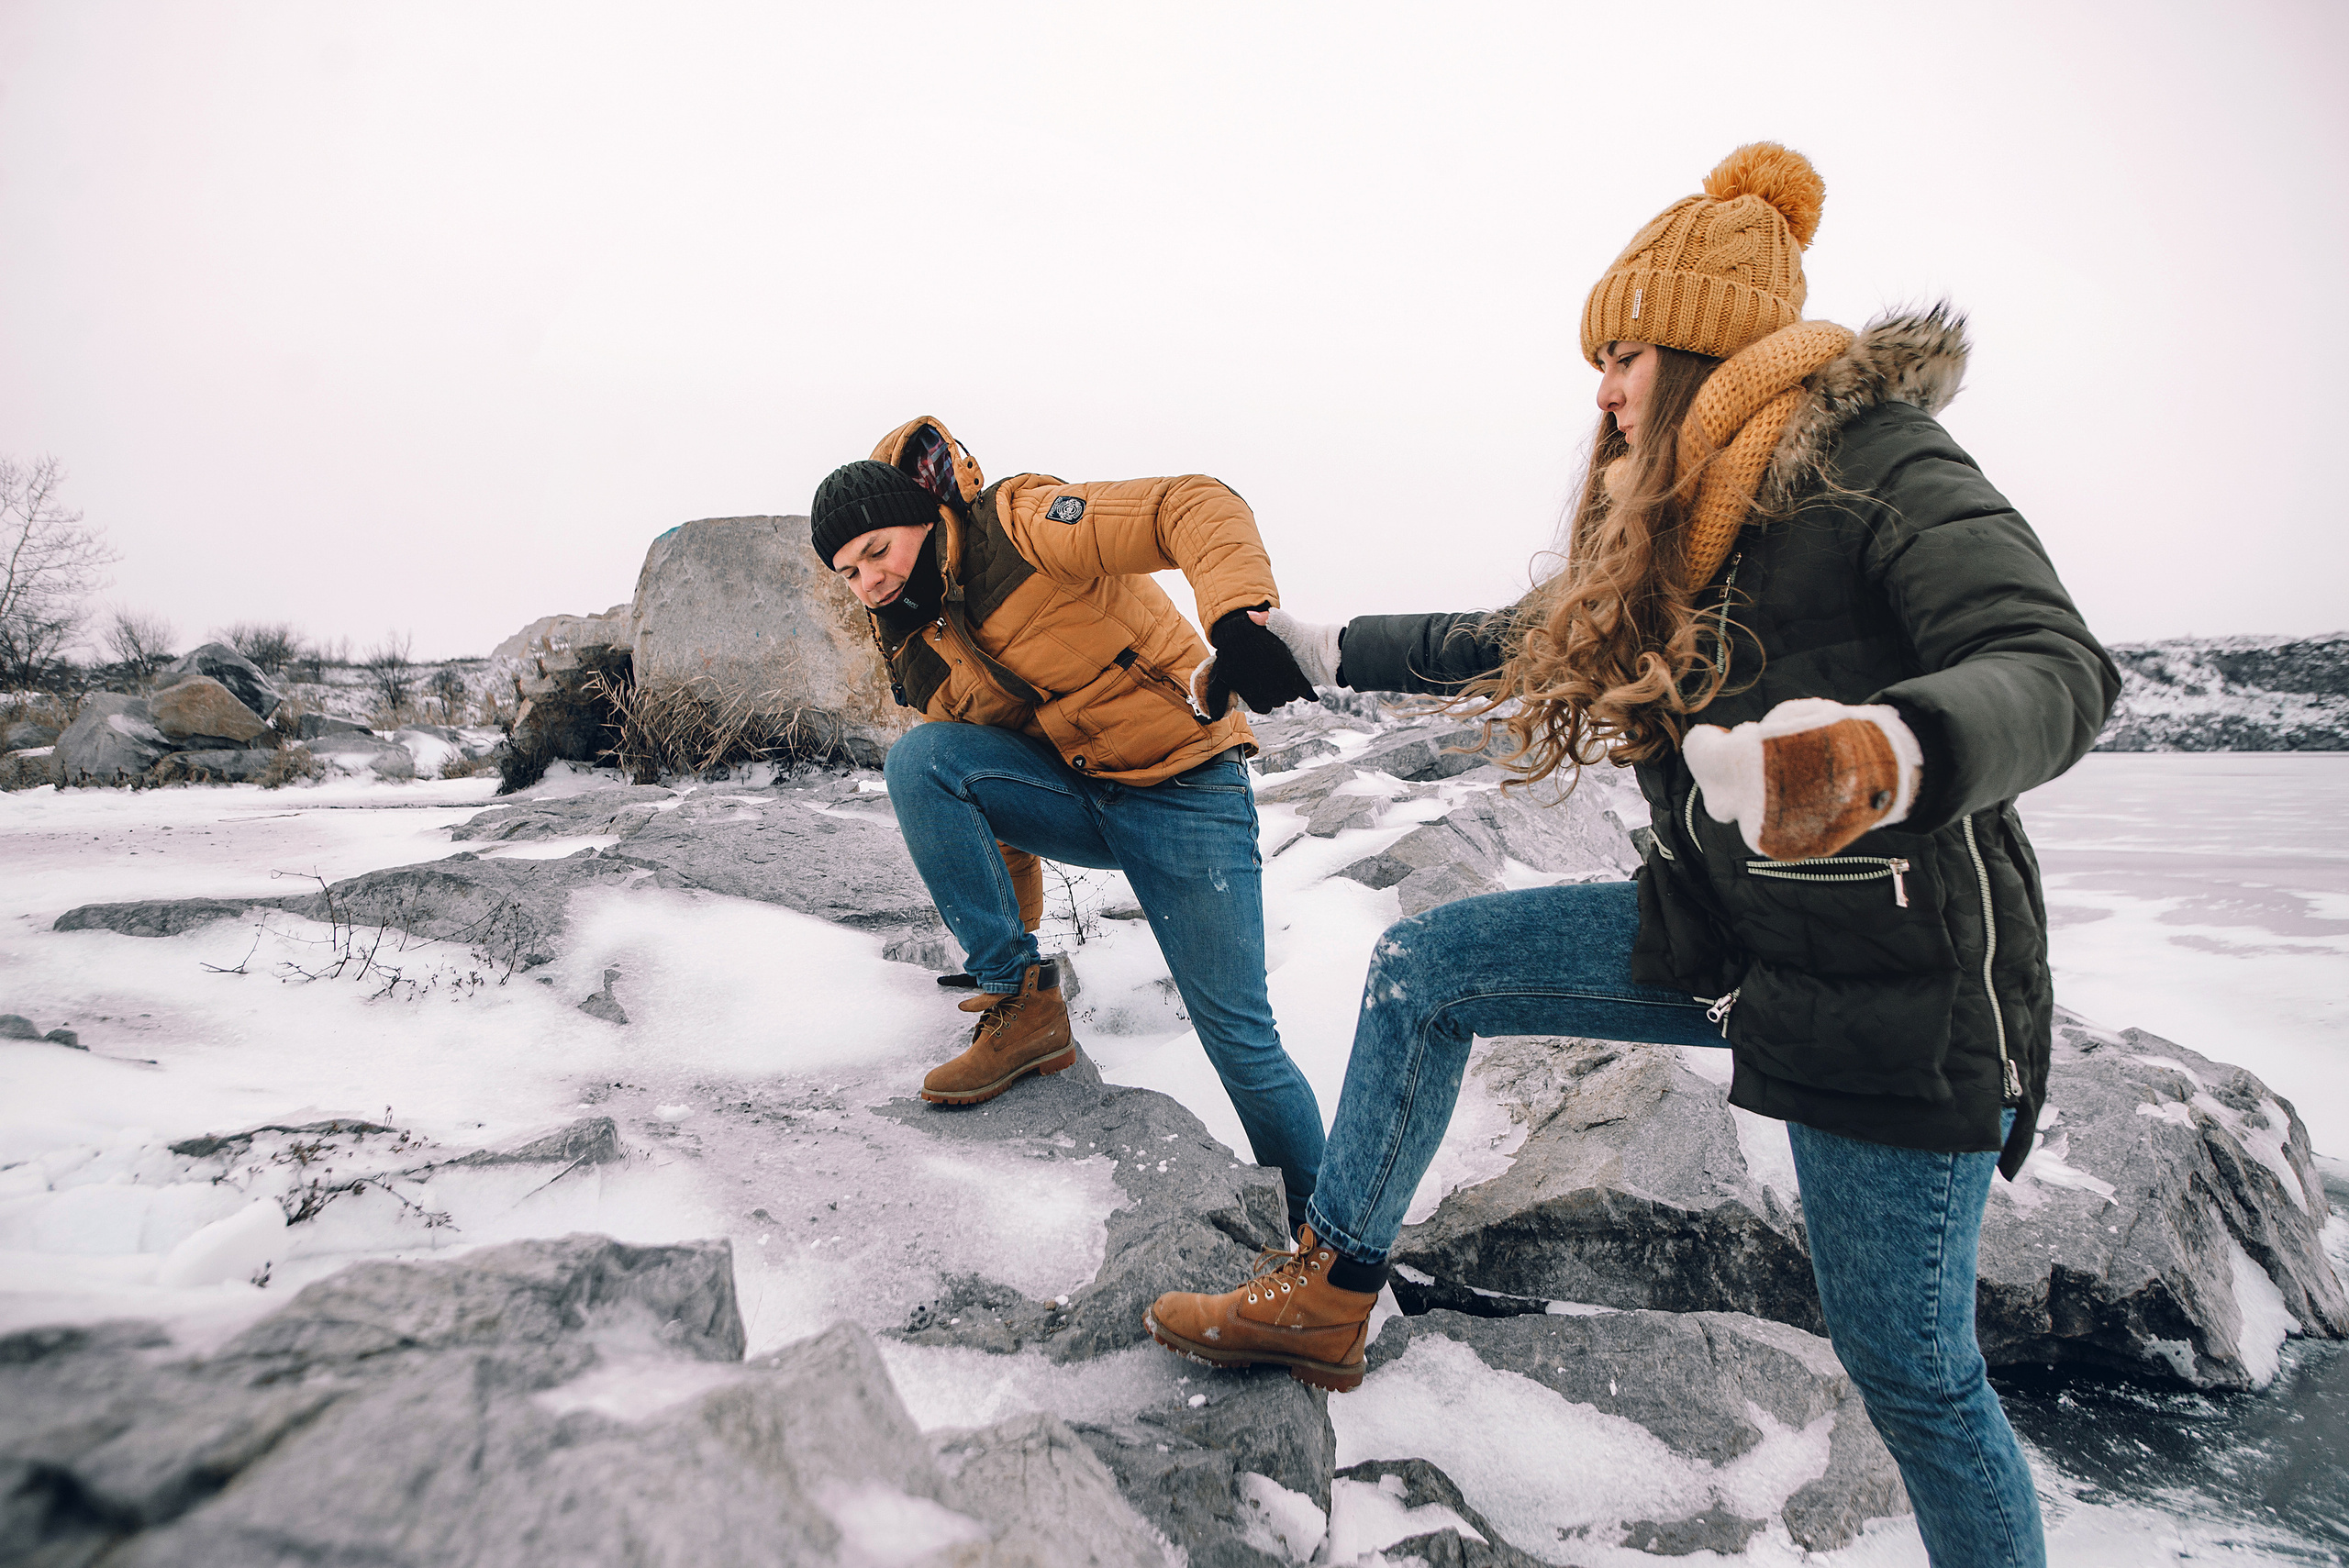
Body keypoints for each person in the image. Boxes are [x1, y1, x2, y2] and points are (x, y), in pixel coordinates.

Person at [1144, 145, 2117, 1568]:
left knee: (1912, 1373)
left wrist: (1880, 755)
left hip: (1892, 980)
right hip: (1725, 936)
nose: (1601, 390)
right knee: (1428, 969)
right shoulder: (1676, 521)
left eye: (1623, 355)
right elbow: (1532, 636)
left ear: (1705, 345)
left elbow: (2054, 663)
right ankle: (1330, 1292)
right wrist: (1323, 647)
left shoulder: (1873, 462)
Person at [810, 417, 1328, 1222]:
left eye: (878, 552)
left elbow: (1190, 503)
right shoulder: (915, 645)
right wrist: (1011, 944)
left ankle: (1330, 1239)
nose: (870, 581)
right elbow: (985, 788)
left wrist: (1237, 618)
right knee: (923, 760)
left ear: (923, 517)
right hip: (1084, 796)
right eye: (849, 573)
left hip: (1188, 790)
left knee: (1240, 1041)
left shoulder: (1020, 526)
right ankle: (1026, 1009)